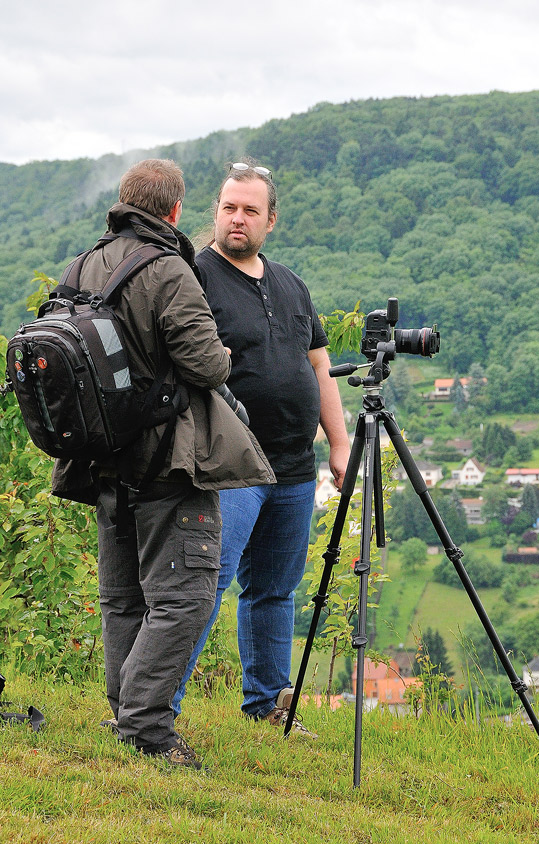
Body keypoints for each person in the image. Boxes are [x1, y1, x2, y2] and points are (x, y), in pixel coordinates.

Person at [51, 159, 271, 768]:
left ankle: (126, 709)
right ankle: (146, 725)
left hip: (102, 457)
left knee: (124, 597)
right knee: (185, 595)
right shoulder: (169, 269)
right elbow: (207, 366)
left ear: (123, 203)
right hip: (168, 458)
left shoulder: (84, 265)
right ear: (174, 211)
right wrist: (221, 352)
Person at [172, 160, 350, 735]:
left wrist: (340, 444)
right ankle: (158, 708)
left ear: (271, 219)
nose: (237, 218)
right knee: (205, 583)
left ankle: (269, 703)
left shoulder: (291, 284)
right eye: (229, 207)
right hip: (229, 464)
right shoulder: (194, 277)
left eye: (250, 209)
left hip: (296, 466)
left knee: (275, 590)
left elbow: (320, 369)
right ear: (216, 213)